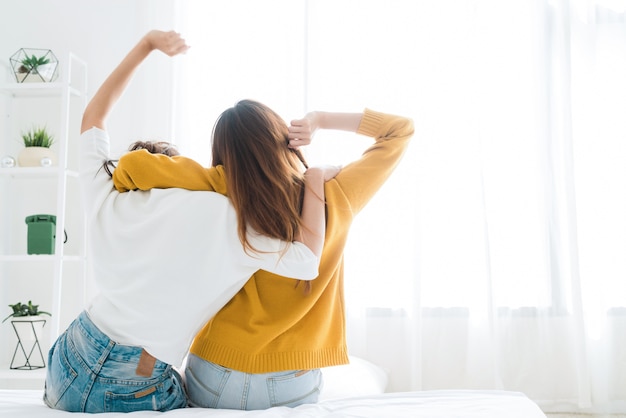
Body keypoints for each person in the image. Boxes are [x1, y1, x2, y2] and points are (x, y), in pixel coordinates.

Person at [43, 30, 331, 413]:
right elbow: (308, 259)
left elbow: (93, 116)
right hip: (133, 381)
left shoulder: (106, 192)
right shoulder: (231, 221)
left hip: (67, 360)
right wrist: (314, 178)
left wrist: (146, 45)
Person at [113, 95, 415, 410]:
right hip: (291, 380)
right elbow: (400, 129)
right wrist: (319, 119)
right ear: (283, 139)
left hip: (215, 372)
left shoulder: (221, 183)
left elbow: (130, 167)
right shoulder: (335, 192)